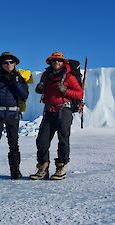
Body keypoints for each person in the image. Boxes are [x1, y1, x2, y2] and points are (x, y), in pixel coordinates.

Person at [30, 52, 83, 180]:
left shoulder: (69, 77)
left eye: (59, 61)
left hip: (64, 110)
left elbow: (79, 94)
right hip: (49, 111)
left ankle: (61, 167)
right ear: (50, 62)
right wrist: (39, 88)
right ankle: (43, 168)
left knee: (63, 138)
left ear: (63, 62)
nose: (56, 63)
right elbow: (41, 89)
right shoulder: (46, 75)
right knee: (42, 140)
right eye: (54, 61)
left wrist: (66, 91)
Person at [0, 52, 29, 180]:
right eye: (6, 62)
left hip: (13, 114)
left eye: (11, 62)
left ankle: (15, 171)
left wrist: (16, 82)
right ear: (2, 64)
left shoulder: (19, 78)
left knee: (14, 143)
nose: (9, 64)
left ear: (15, 64)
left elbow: (24, 95)